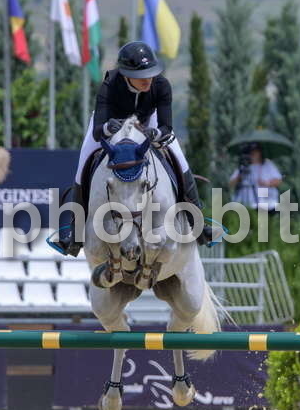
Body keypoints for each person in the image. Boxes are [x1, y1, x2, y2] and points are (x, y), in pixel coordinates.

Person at [57, 41, 214, 254]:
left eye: (150, 73)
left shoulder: (161, 85)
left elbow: (166, 127)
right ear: (126, 75)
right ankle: (74, 233)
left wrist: (156, 134)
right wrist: (108, 128)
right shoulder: (109, 85)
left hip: (148, 122)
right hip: (111, 125)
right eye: (141, 76)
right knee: (83, 163)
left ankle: (198, 224)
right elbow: (97, 132)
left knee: (180, 159)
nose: (147, 79)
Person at [229, 142, 282, 210]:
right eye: (250, 151)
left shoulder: (267, 164)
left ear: (260, 152)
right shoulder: (244, 166)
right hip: (246, 204)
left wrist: (266, 183)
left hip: (266, 203)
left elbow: (278, 181)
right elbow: (231, 183)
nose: (252, 153)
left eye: (255, 151)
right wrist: (239, 177)